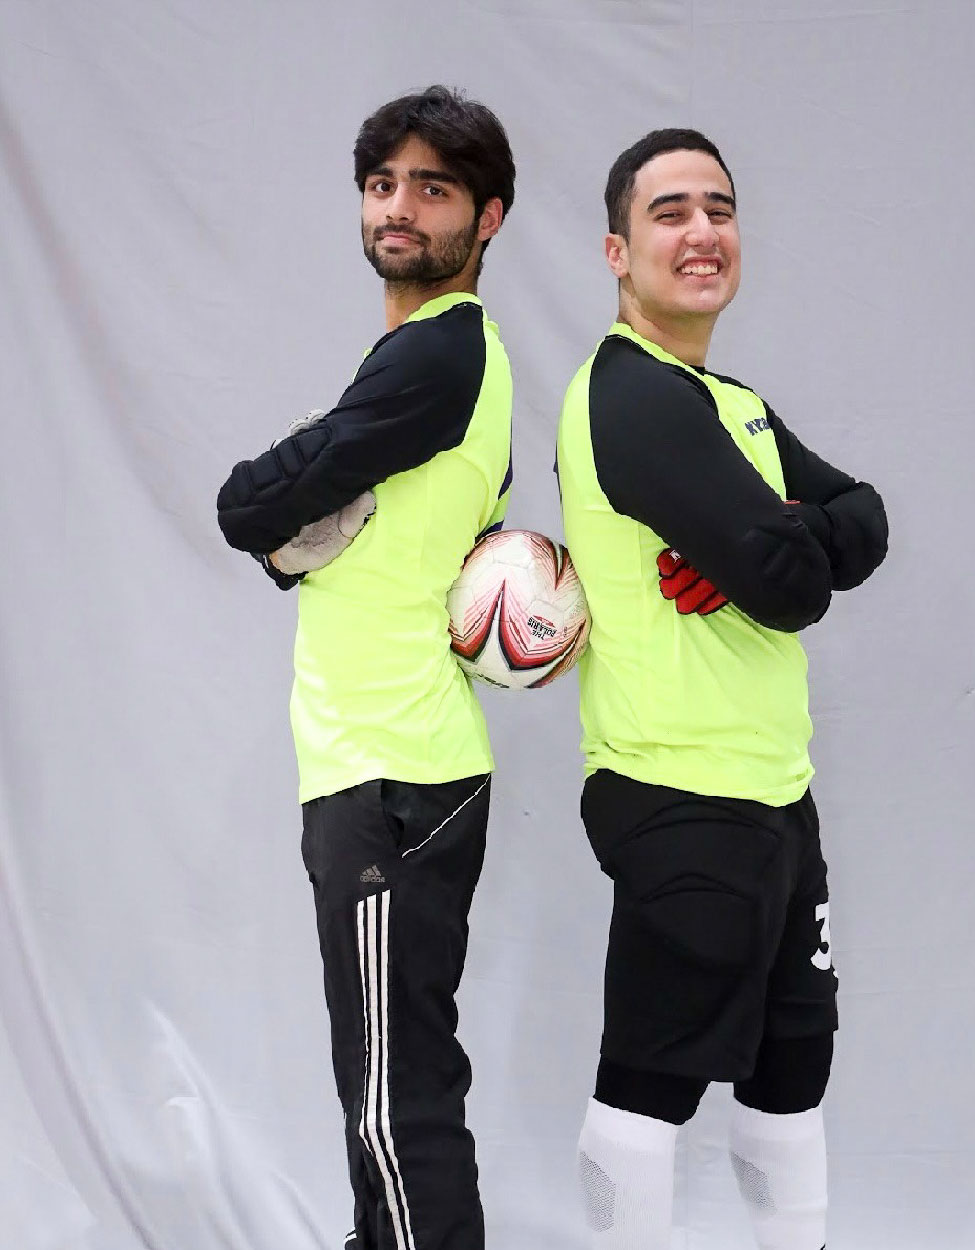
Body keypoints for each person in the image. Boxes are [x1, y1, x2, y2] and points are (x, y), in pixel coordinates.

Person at [560, 128, 889, 1249]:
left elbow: (865, 517)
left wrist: (771, 532)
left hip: (777, 801)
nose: (702, 231)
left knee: (792, 1072)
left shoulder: (728, 401)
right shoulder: (630, 399)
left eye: (720, 207)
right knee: (648, 1085)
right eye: (670, 213)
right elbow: (796, 587)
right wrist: (781, 544)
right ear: (617, 250)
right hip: (675, 796)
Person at [212, 85, 517, 1250]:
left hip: (395, 773)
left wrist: (288, 498)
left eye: (432, 187)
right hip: (375, 764)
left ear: (489, 218)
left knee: (397, 1103)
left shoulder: (439, 356)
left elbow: (250, 505)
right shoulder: (412, 358)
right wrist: (305, 503)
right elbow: (311, 526)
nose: (399, 207)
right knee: (389, 1089)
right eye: (384, 183)